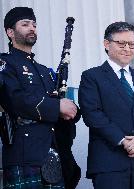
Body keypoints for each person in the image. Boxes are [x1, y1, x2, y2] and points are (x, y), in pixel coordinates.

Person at [78, 21, 134, 189]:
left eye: (132, 44)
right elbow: (92, 114)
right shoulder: (91, 77)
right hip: (109, 165)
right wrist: (123, 141)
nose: (127, 48)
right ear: (106, 44)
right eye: (121, 43)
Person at [0, 7, 78, 188]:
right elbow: (14, 100)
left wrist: (71, 108)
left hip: (53, 155)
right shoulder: (6, 64)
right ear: (10, 32)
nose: (32, 28)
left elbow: (59, 105)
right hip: (24, 156)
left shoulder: (45, 72)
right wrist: (57, 107)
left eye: (34, 24)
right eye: (25, 24)